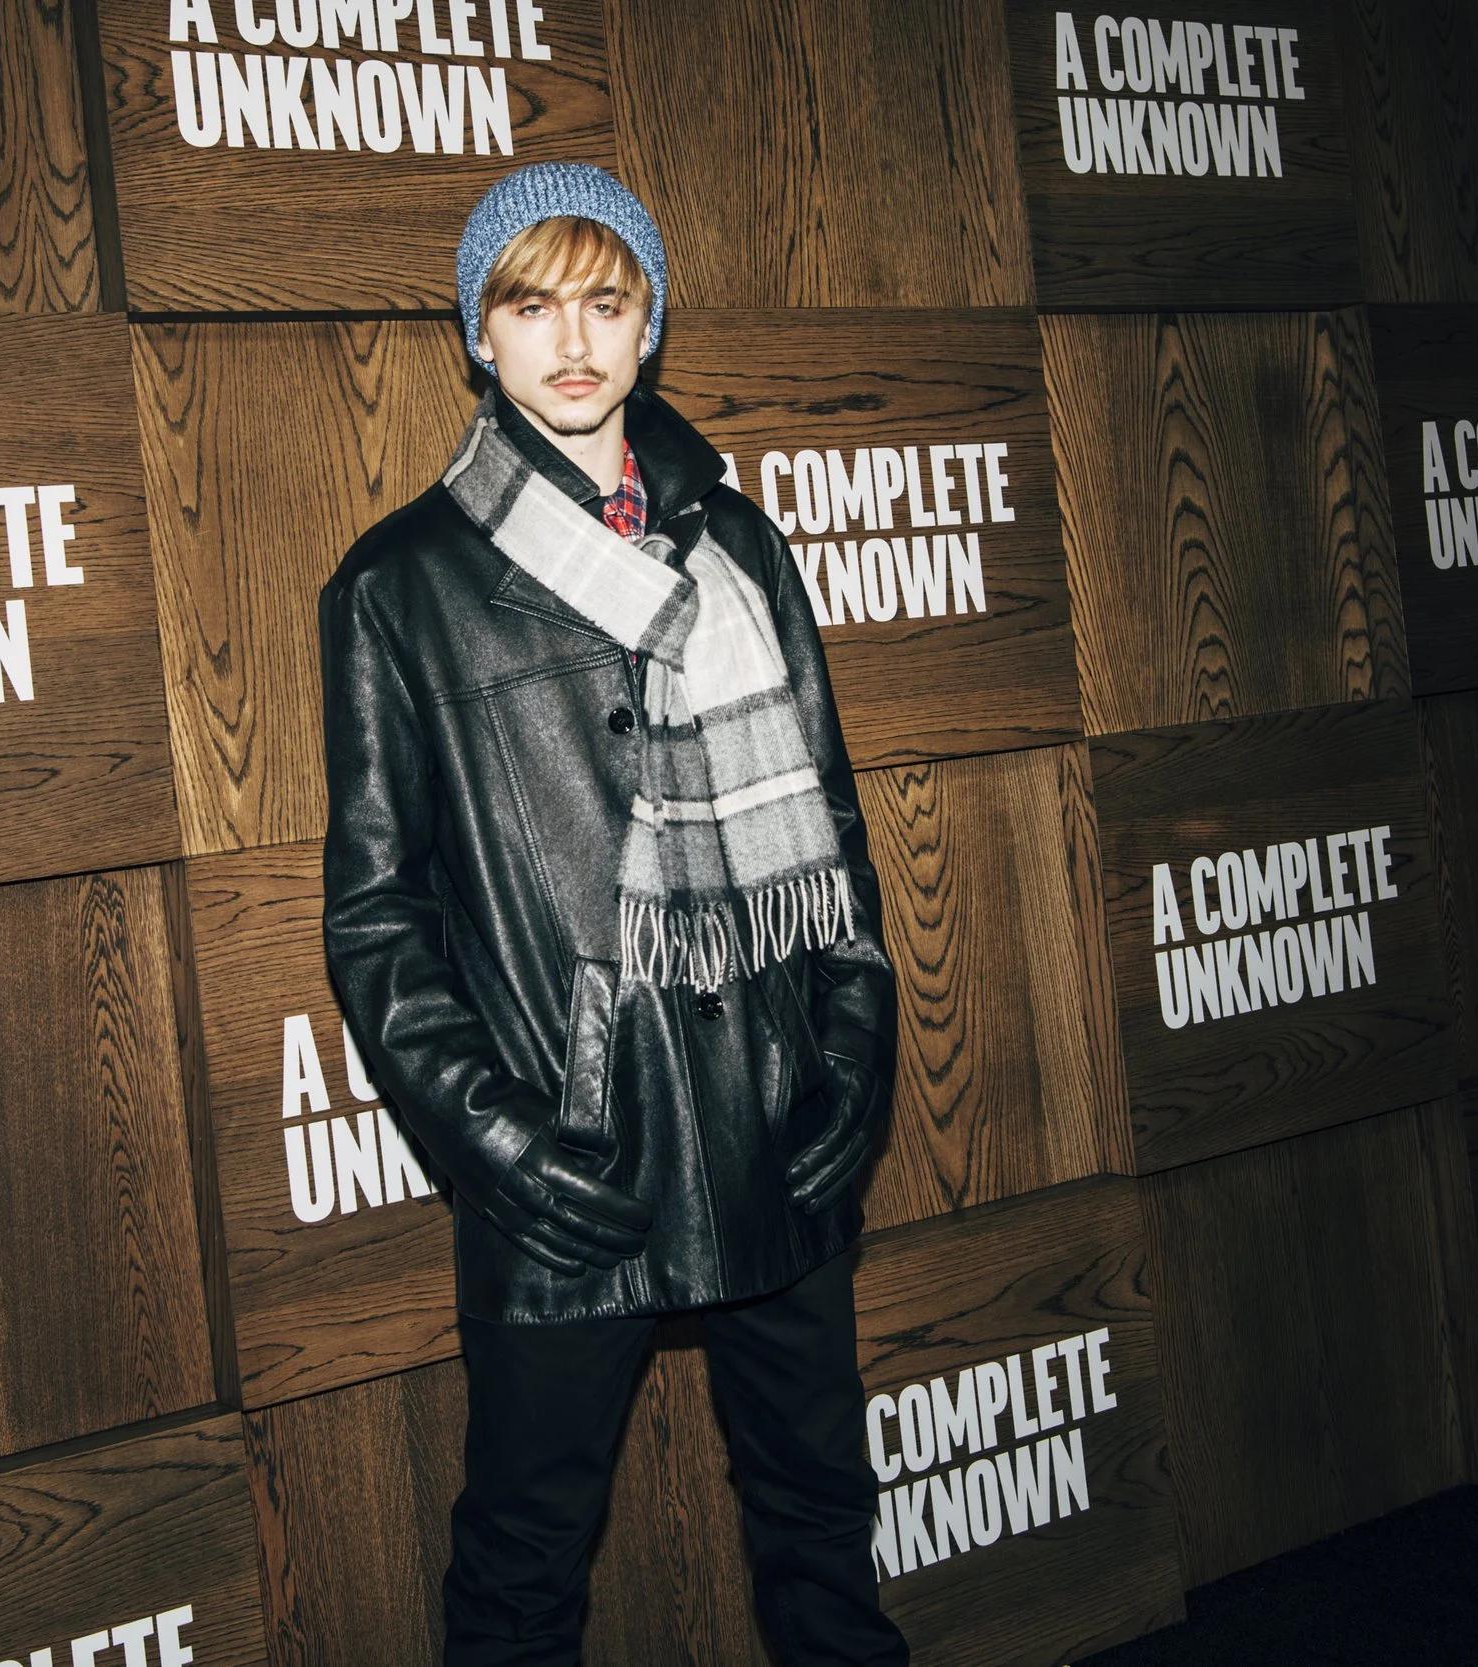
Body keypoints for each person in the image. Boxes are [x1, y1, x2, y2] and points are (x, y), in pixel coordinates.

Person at [317, 161, 912, 1667]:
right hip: (576, 1153)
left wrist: (852, 1053)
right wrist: (501, 1140)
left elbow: (833, 832)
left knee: (825, 1531)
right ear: (480, 335)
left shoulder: (742, 547)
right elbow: (378, 915)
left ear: (650, 325)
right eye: (532, 304)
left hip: (776, 1124)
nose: (572, 340)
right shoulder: (399, 585)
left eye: (606, 300)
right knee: (523, 1571)